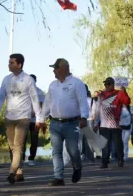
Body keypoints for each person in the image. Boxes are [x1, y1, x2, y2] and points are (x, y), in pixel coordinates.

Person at [0, 54, 43, 184]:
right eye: (9, 62)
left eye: (11, 62)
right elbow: (0, 97)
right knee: (12, 147)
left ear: (19, 64)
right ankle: (19, 171)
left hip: (23, 118)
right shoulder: (6, 79)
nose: (8, 64)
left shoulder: (28, 80)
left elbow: (34, 99)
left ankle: (11, 172)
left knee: (18, 146)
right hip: (9, 117)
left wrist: (38, 118)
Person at [40, 58, 89, 186]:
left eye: (55, 68)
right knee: (56, 151)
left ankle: (77, 167)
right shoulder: (52, 85)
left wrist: (84, 117)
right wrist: (41, 119)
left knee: (72, 150)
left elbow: (83, 102)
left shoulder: (77, 83)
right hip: (55, 123)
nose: (54, 71)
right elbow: (47, 103)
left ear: (63, 68)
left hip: (72, 123)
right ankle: (58, 177)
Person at [93, 77, 131, 169]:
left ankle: (120, 159)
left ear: (112, 84)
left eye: (108, 84)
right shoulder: (101, 95)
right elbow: (97, 109)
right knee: (105, 145)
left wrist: (125, 92)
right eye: (105, 84)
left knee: (118, 144)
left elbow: (127, 102)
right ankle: (104, 162)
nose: (106, 86)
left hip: (115, 124)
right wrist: (95, 122)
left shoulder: (119, 93)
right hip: (104, 125)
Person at [23, 74, 45, 166]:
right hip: (24, 118)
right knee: (22, 139)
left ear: (35, 81)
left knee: (34, 139)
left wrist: (37, 114)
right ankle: (21, 158)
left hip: (36, 119)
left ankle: (31, 158)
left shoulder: (39, 91)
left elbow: (41, 105)